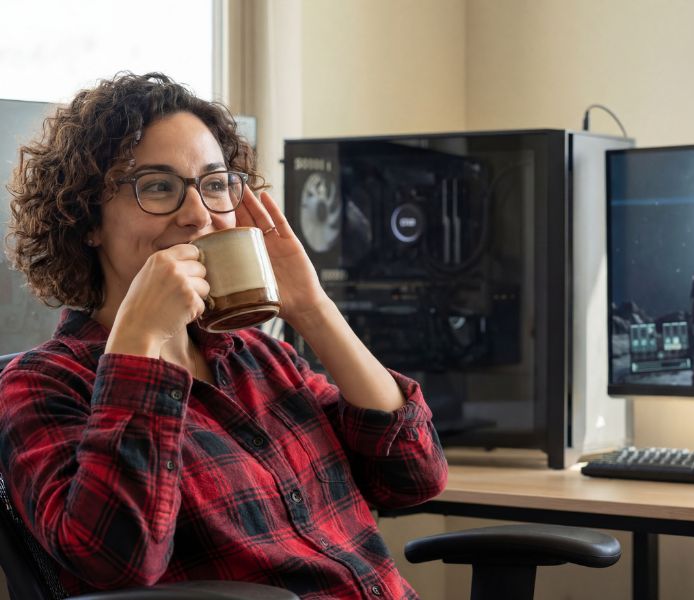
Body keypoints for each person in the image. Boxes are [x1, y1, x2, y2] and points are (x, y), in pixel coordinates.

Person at [0, 72, 447, 599]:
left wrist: (313, 308)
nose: (198, 216)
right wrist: (141, 341)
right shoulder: (40, 385)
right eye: (159, 187)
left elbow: (414, 476)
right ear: (86, 219)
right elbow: (116, 560)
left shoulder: (260, 359)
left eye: (214, 184)